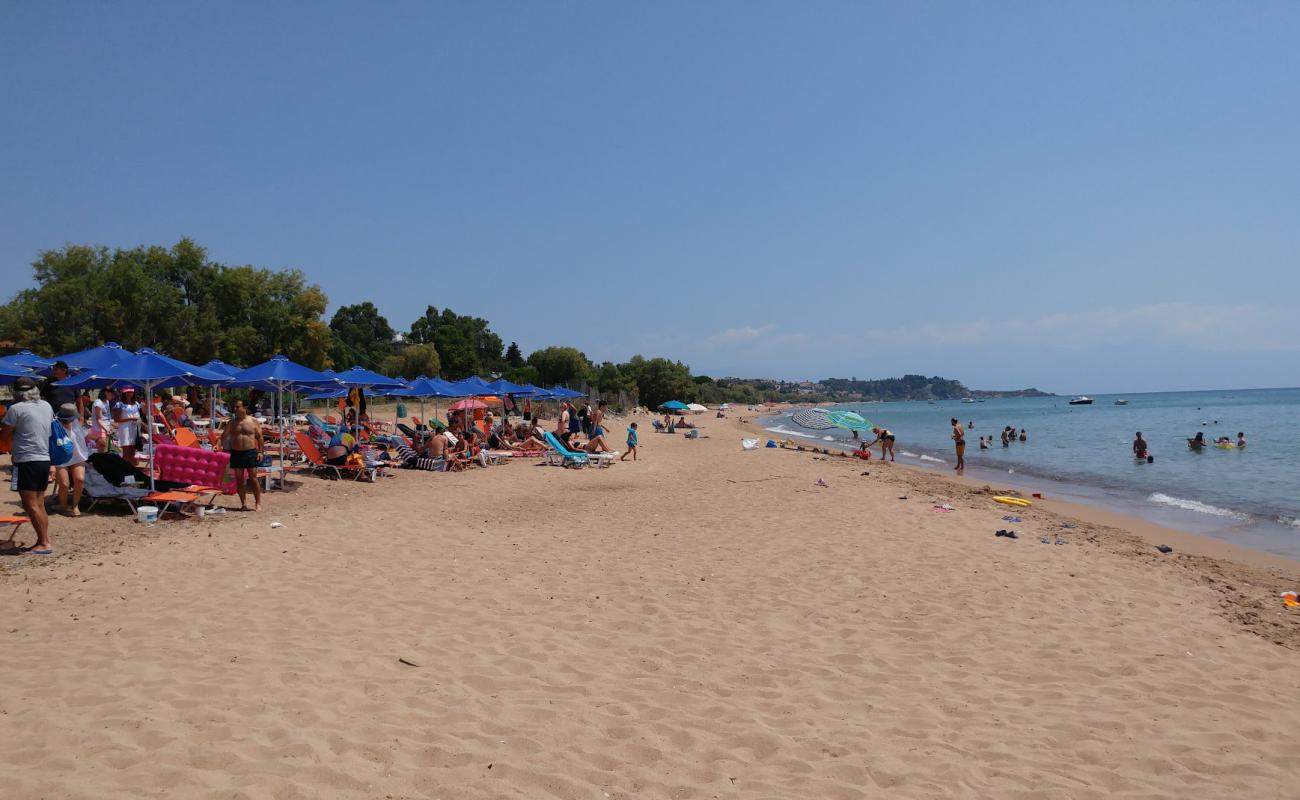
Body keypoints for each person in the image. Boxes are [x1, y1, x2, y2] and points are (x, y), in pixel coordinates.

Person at [1, 377, 54, 554]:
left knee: (30, 504)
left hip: (27, 460)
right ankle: (43, 540)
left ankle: (44, 542)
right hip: (44, 458)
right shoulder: (46, 406)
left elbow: (4, 434)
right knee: (39, 503)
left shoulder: (15, 409)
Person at [220, 399, 263, 511]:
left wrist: (260, 452)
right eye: (234, 407)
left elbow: (260, 437)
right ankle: (243, 503)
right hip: (236, 452)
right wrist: (217, 444)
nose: (235, 409)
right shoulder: (232, 423)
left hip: (250, 452)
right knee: (239, 480)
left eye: (237, 407)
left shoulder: (253, 421)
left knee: (253, 478)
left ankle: (258, 503)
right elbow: (224, 435)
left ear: (244, 408)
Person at [53, 403, 89, 516]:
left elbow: (85, 435)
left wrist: (98, 438)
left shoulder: (77, 423)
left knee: (80, 479)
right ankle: (62, 506)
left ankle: (75, 505)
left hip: (77, 455)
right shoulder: (54, 425)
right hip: (60, 456)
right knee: (64, 484)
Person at [112, 387, 142, 463]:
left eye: (131, 392)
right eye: (127, 392)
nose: (129, 394)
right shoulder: (119, 404)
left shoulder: (137, 404)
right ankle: (125, 470)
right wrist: (131, 419)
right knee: (126, 452)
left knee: (133, 452)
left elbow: (141, 416)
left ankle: (130, 470)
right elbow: (116, 419)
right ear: (124, 393)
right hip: (125, 430)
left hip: (135, 429)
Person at [90, 388, 116, 452]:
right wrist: (106, 429)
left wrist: (111, 426)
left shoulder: (107, 401)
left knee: (106, 449)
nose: (113, 396)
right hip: (99, 429)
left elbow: (107, 417)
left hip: (105, 429)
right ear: (106, 393)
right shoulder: (98, 403)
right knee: (102, 450)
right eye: (112, 394)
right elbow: (99, 419)